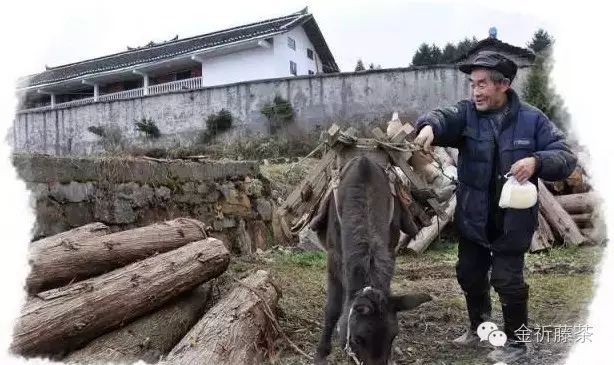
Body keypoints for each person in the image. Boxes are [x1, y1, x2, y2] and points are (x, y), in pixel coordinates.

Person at [413, 50, 576, 363]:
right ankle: (479, 327)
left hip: (512, 220)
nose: (476, 90)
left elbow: (565, 156)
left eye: (483, 84)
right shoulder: (467, 114)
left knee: (508, 280)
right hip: (473, 217)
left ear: (504, 85)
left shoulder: (532, 119)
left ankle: (517, 343)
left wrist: (536, 161)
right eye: (473, 84)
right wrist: (429, 126)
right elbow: (443, 117)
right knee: (470, 274)